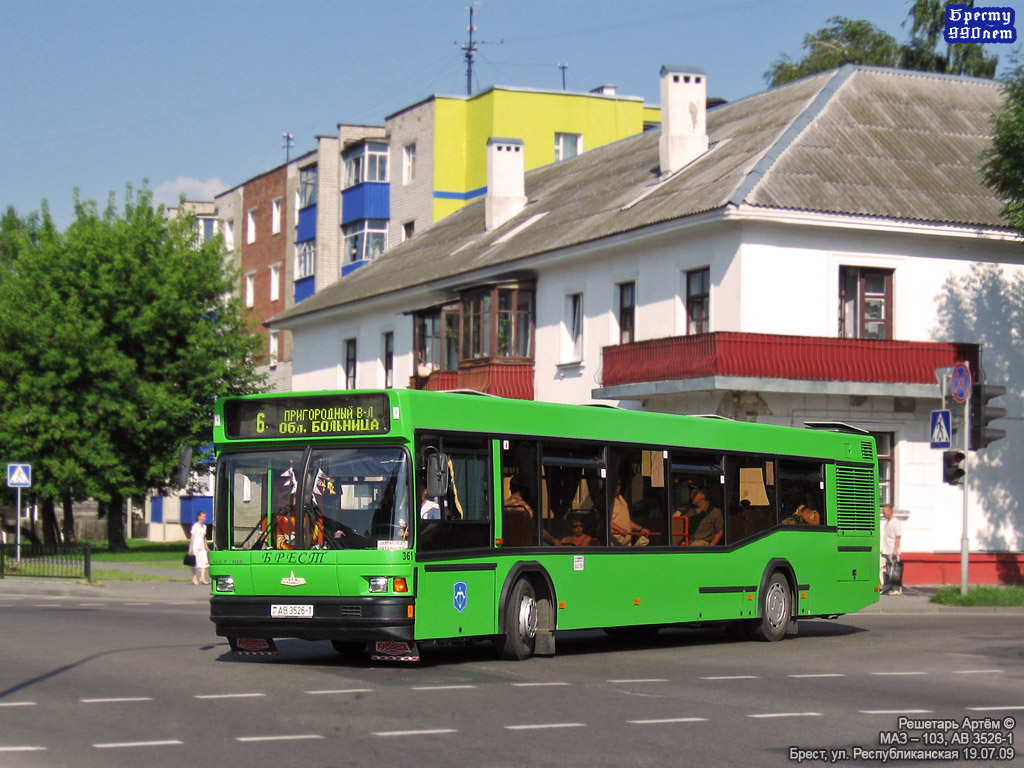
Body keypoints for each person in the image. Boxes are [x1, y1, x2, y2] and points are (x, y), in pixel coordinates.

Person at [611, 481, 649, 546]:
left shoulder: (623, 500)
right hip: (614, 544)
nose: (618, 486)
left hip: (627, 543)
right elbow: (605, 521)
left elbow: (627, 521)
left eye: (619, 484)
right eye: (615, 484)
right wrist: (619, 530)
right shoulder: (608, 502)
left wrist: (641, 529)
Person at [880, 504, 902, 595]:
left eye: (884, 513)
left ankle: (897, 589)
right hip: (885, 550)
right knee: (880, 566)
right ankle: (887, 584)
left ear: (890, 511)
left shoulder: (895, 522)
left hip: (892, 551)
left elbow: (898, 537)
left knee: (894, 570)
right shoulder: (887, 522)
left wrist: (896, 550)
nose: (883, 514)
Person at [189, 511, 210, 586]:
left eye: (205, 517)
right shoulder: (195, 526)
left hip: (201, 545)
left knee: (205, 561)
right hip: (195, 544)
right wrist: (191, 547)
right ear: (199, 517)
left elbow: (204, 537)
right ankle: (194, 577)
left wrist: (206, 546)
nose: (204, 518)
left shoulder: (204, 526)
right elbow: (192, 537)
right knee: (195, 562)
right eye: (203, 516)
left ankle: (202, 577)